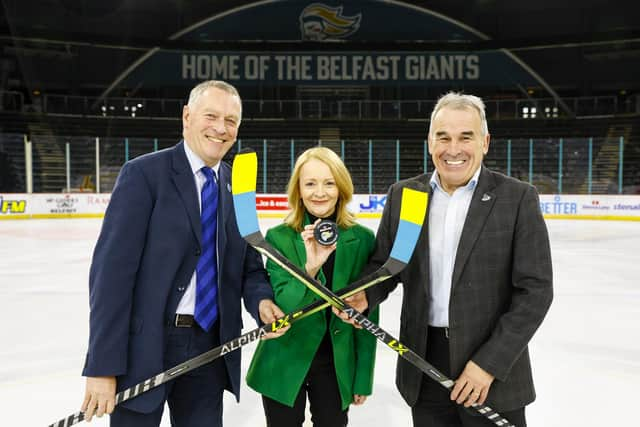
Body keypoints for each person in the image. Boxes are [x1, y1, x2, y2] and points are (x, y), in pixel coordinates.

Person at [80, 80, 288, 427]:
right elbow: (110, 279)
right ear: (187, 117)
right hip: (144, 349)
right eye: (211, 116)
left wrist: (261, 302)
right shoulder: (144, 175)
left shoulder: (239, 188)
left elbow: (249, 267)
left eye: (231, 121)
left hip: (210, 347)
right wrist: (102, 367)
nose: (221, 128)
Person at [343, 92, 553, 426]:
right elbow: (387, 266)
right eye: (443, 137)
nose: (452, 149)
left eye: (465, 137)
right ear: (429, 142)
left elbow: (535, 291)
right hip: (423, 361)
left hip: (492, 371)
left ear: (485, 142)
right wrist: (365, 294)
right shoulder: (406, 195)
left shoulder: (516, 198)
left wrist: (488, 365)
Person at [246, 147, 379, 427]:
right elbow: (286, 304)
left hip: (336, 362)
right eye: (310, 183)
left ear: (341, 187)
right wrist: (310, 268)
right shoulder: (278, 237)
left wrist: (363, 376)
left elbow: (368, 312)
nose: (320, 192)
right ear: (298, 189)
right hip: (284, 358)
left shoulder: (363, 239)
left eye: (329, 183)